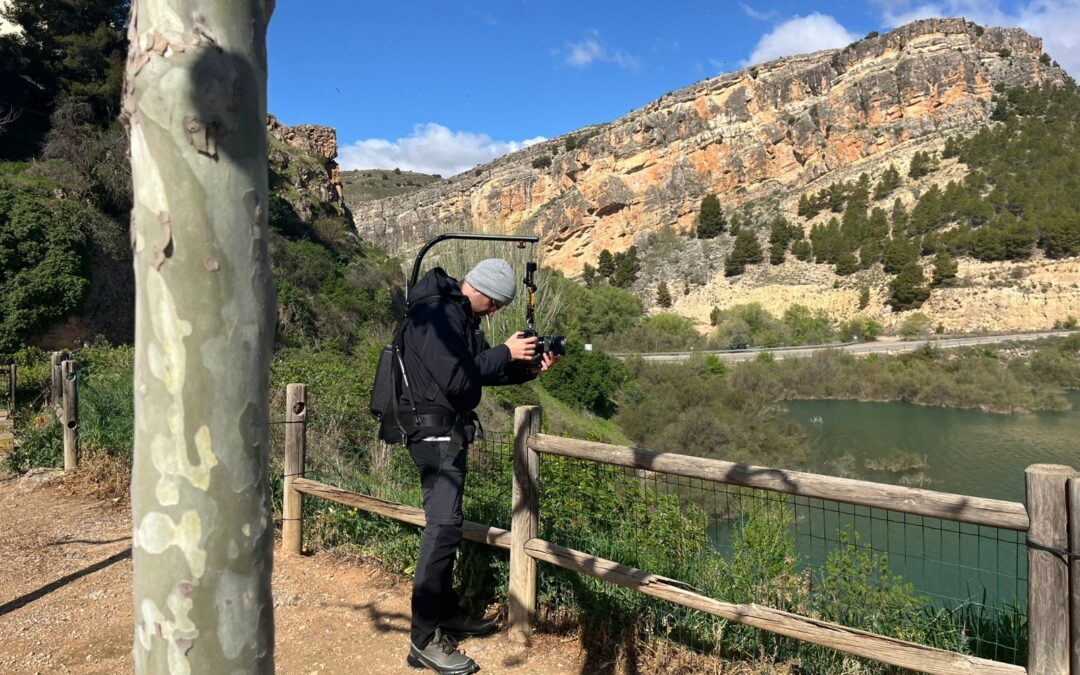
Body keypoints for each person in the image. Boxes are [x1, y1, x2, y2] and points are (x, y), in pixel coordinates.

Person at [400, 258, 559, 674]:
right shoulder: (435, 313)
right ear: (482, 290)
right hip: (432, 433)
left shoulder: (458, 314)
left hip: (447, 430)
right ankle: (423, 640)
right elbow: (457, 379)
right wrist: (505, 350)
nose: (493, 313)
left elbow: (479, 373)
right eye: (495, 305)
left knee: (448, 526)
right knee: (442, 527)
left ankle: (446, 613)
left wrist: (528, 369)